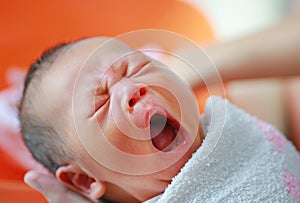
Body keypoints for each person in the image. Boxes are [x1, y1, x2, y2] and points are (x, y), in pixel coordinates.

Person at [20, 36, 300, 203]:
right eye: (101, 103)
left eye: (136, 68)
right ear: (83, 179)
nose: (132, 89)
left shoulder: (230, 127)